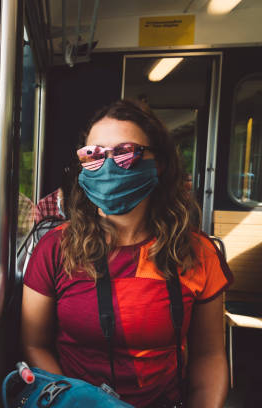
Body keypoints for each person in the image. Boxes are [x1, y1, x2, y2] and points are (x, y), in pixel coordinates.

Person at [21, 100, 232, 408]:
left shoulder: (198, 253)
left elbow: (208, 355)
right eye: (93, 155)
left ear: (158, 162)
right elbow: (34, 343)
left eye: (125, 152)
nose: (107, 166)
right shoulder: (55, 249)